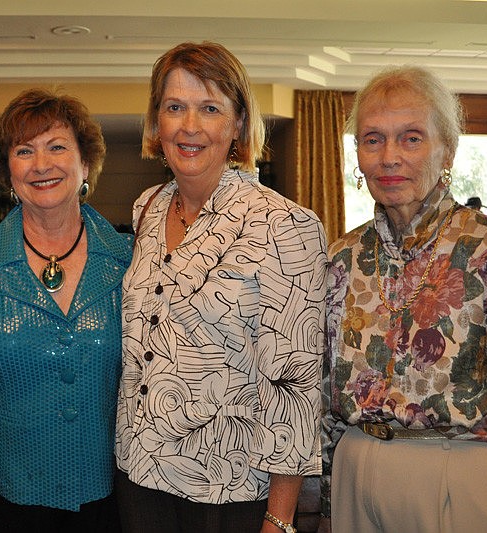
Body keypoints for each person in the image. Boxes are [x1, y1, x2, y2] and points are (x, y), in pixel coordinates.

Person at [116, 41, 327, 533]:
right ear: (156, 123)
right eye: (175, 107)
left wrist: (279, 518)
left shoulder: (283, 225)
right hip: (138, 475)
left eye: (209, 108)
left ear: (238, 124)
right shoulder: (147, 208)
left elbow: (294, 387)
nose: (189, 126)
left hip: (227, 490)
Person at [322, 66, 487, 532]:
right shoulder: (341, 258)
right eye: (373, 139)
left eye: (411, 138)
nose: (389, 157)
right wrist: (322, 496)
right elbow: (322, 393)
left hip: (465, 473)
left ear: (448, 150)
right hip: (356, 471)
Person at [0, 88, 131, 532]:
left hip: (114, 500)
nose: (41, 164)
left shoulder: (131, 264)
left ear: (85, 164)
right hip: (5, 502)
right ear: (8, 171)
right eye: (24, 151)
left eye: (57, 147)